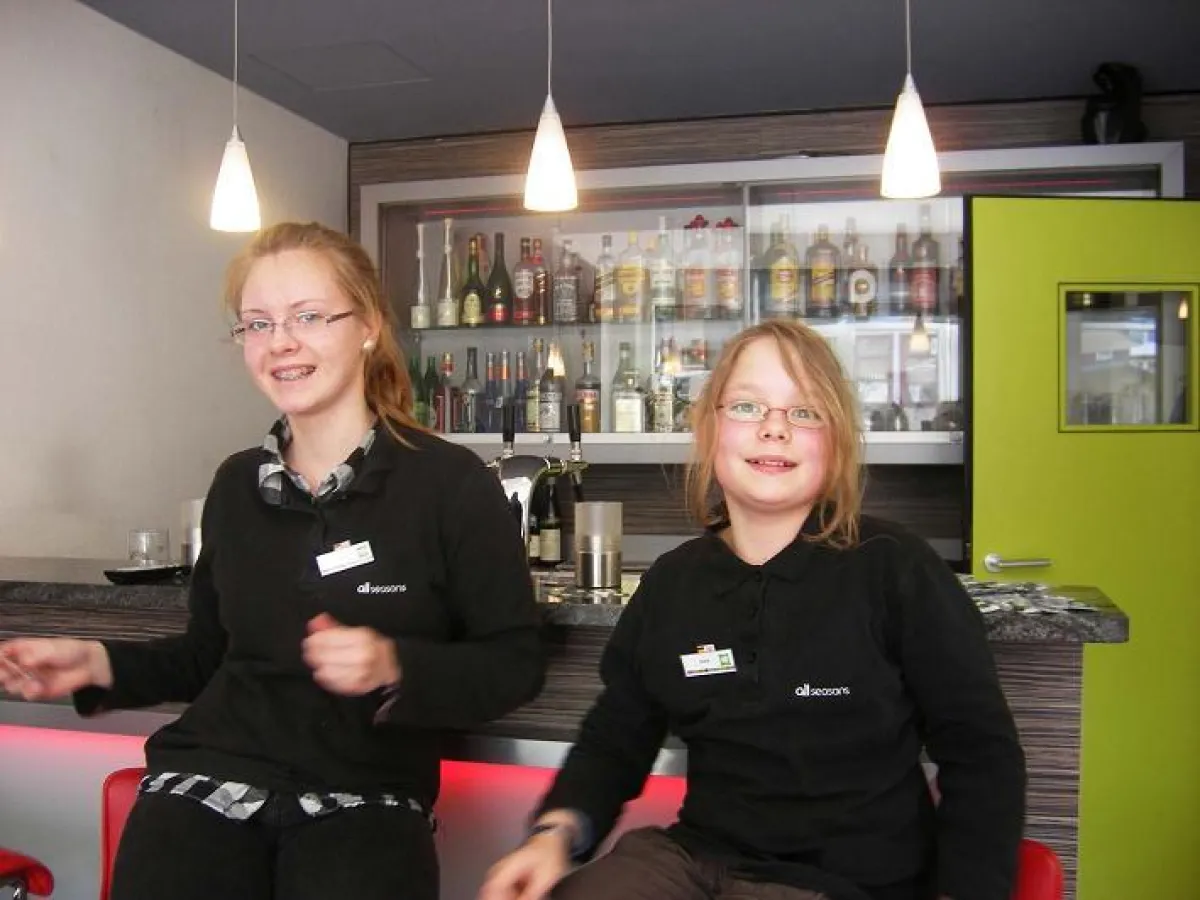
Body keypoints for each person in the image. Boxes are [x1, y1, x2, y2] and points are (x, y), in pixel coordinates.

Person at [0, 222, 545, 900]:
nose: (280, 342)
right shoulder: (236, 484)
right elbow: (210, 655)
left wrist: (397, 664)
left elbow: (515, 659)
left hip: (365, 795)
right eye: (257, 324)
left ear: (369, 324)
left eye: (309, 316)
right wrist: (98, 665)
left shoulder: (449, 482)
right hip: (209, 779)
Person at [480, 320, 1026, 900]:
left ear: (836, 440)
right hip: (692, 861)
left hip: (843, 883)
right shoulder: (675, 581)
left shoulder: (895, 568)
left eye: (804, 412)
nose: (774, 430)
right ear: (710, 429)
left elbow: (982, 754)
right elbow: (615, 740)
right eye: (747, 406)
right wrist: (555, 834)